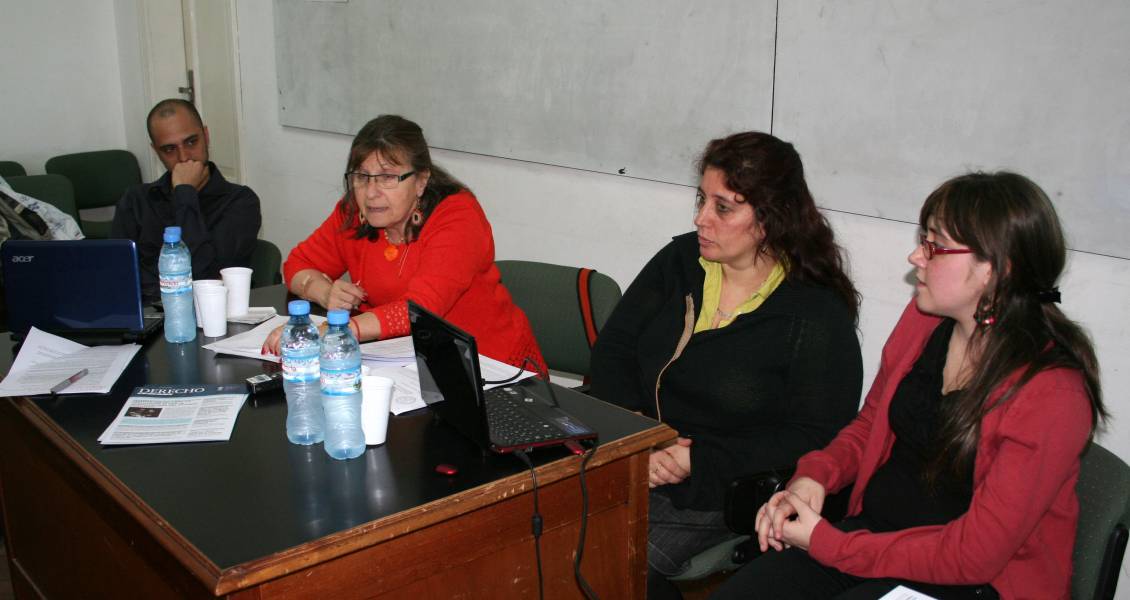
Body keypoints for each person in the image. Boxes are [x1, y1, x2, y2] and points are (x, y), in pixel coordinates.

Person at [713, 172, 1106, 600]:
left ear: (996, 269)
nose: (916, 256)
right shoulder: (924, 319)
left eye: (935, 245)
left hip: (972, 584)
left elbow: (975, 555)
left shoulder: (1052, 393)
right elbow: (870, 426)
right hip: (874, 540)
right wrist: (815, 478)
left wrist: (829, 543)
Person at [587, 131, 863, 599]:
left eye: (723, 207)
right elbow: (614, 352)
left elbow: (815, 436)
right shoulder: (679, 261)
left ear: (770, 219)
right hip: (637, 458)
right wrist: (639, 436)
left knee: (597, 555)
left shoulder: (813, 311)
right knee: (529, 529)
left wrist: (697, 460)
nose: (701, 219)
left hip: (722, 490)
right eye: (701, 200)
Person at [263, 115, 544, 373]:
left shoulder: (458, 216)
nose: (371, 193)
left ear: (421, 181)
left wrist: (336, 329)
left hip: (492, 369)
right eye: (361, 177)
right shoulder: (353, 213)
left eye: (387, 177)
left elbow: (419, 311)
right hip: (404, 364)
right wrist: (324, 293)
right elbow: (298, 265)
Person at [111, 98, 261, 298]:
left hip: (210, 320)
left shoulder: (240, 202)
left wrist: (185, 193)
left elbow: (203, 278)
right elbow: (118, 277)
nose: (184, 157)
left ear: (206, 136)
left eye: (191, 142)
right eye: (169, 149)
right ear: (156, 151)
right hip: (145, 317)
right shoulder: (136, 201)